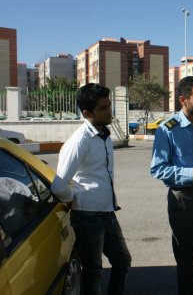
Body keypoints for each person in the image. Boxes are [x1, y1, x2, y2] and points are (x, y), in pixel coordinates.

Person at [51, 83, 132, 295]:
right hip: (87, 217)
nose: (109, 111)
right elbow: (59, 185)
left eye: (109, 106)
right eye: (103, 108)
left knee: (122, 261)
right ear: (87, 113)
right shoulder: (79, 141)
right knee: (94, 272)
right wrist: (75, 197)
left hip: (107, 213)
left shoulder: (103, 133)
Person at [150, 76, 193, 295]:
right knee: (186, 262)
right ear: (183, 99)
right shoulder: (167, 130)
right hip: (183, 202)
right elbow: (158, 169)